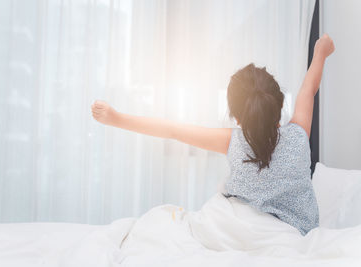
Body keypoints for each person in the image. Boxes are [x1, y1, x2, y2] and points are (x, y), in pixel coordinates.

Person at [91, 34, 335, 236]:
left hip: (240, 231)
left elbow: (171, 130)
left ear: (237, 117)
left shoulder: (233, 141)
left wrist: (117, 118)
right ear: (280, 105)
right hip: (293, 236)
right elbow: (309, 86)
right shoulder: (299, 135)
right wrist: (321, 51)